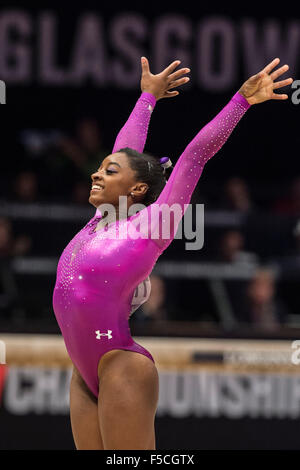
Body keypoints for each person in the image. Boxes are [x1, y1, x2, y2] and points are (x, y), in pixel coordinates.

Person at [52, 57, 292, 450]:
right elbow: (126, 148)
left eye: (110, 172)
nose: (96, 174)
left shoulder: (153, 226)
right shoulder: (99, 220)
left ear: (140, 190)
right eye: (99, 168)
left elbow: (194, 156)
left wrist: (241, 102)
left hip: (120, 364)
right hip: (83, 372)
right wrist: (147, 97)